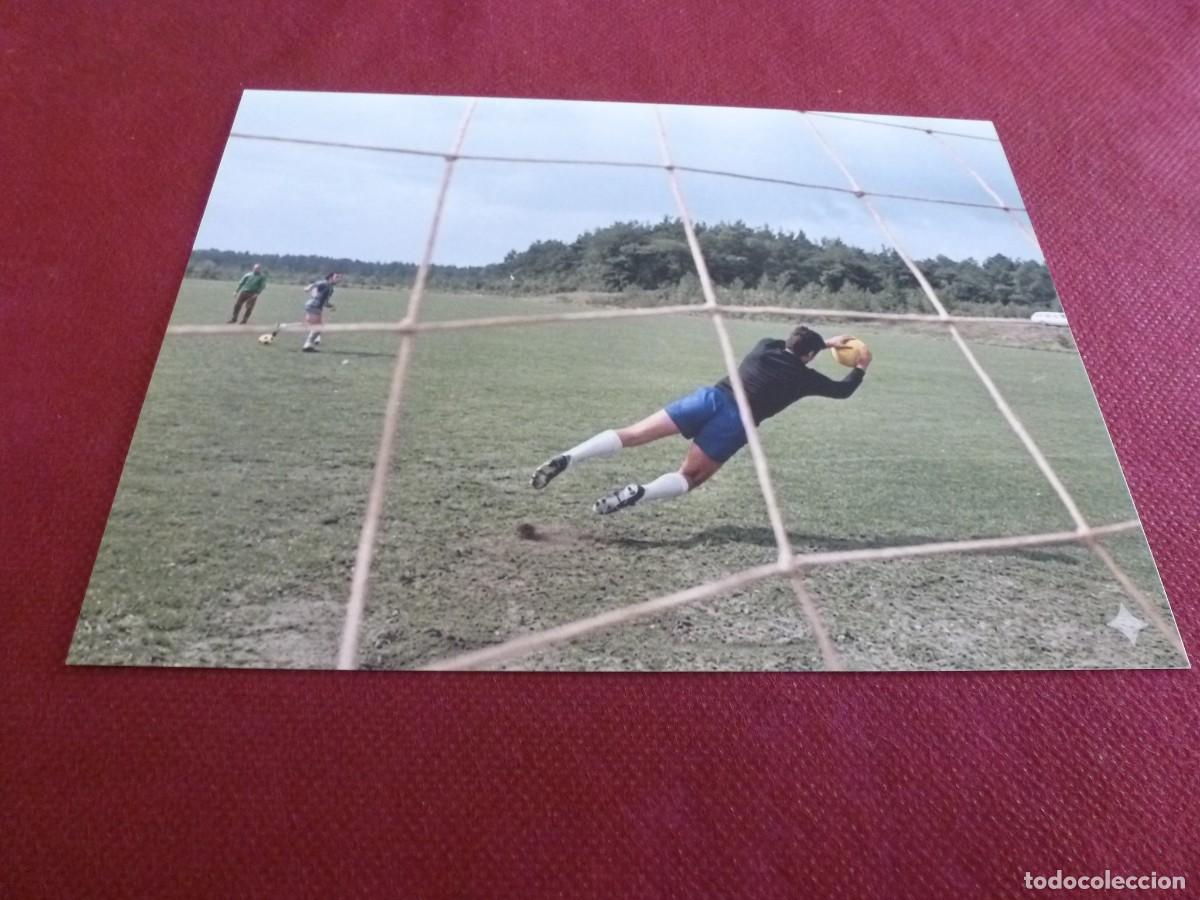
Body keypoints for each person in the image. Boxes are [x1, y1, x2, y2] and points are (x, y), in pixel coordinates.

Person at [530, 325, 871, 514]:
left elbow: (793, 345)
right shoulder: (806, 379)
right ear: (809, 356)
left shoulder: (764, 346)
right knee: (689, 477)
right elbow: (842, 391)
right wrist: (860, 366)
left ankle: (570, 456)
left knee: (632, 433)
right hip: (737, 422)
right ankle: (641, 492)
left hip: (709, 398)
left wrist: (824, 343)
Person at [301, 273, 340, 352]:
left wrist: (331, 306)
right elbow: (315, 284)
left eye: (339, 277)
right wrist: (308, 288)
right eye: (336, 277)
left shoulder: (331, 289)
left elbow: (325, 303)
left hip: (316, 307)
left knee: (317, 326)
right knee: (318, 327)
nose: (338, 279)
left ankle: (308, 344)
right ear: (330, 278)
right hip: (314, 306)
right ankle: (307, 345)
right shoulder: (325, 283)